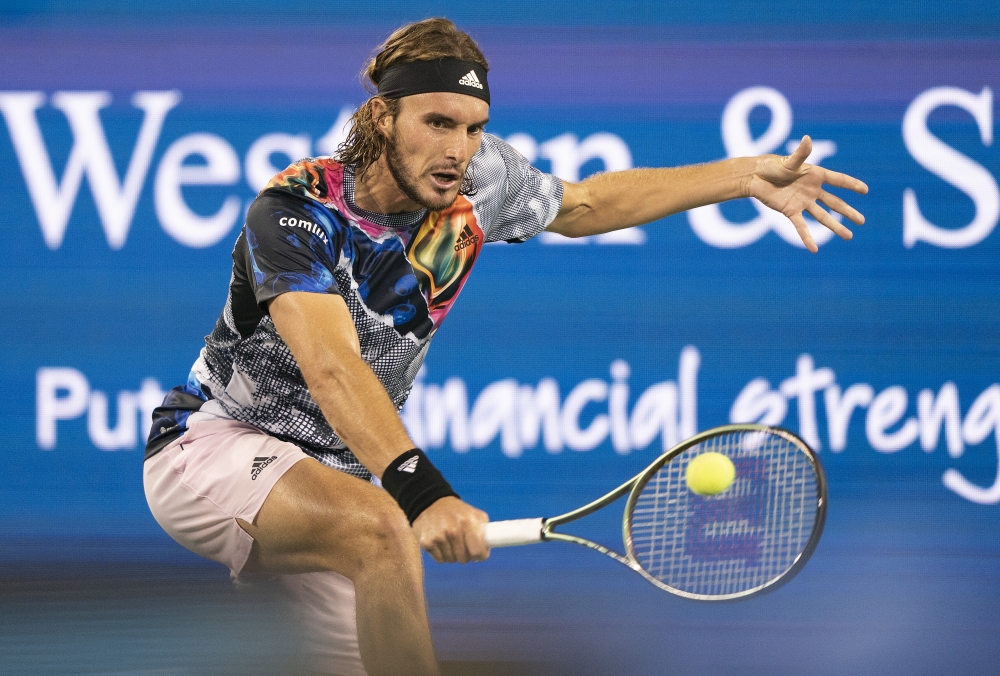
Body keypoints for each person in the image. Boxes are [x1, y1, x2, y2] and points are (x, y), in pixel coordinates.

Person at [142, 17, 867, 676]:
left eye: (473, 127)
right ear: (381, 116)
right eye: (437, 122)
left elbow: (586, 205)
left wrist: (743, 177)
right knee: (383, 530)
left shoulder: (480, 179)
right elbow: (333, 368)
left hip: (337, 476)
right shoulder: (295, 213)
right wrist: (424, 495)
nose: (458, 150)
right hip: (211, 444)